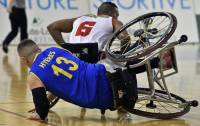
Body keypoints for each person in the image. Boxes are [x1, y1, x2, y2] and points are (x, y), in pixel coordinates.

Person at [18, 39, 137, 121]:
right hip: (106, 73)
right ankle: (151, 62)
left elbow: (42, 110)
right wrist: (49, 99)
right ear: (38, 48)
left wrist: (39, 113)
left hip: (101, 99)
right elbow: (65, 78)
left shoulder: (33, 75)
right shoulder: (55, 49)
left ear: (23, 60)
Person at [47, 2, 129, 54]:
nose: (117, 17)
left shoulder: (80, 19)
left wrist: (66, 47)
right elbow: (125, 38)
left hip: (73, 58)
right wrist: (122, 55)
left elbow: (52, 27)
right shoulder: (112, 20)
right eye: (117, 14)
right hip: (91, 57)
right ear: (112, 13)